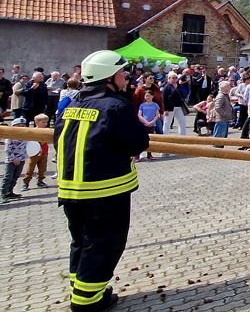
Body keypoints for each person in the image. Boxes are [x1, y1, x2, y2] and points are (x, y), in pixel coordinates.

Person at [54, 50, 149, 310]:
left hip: (71, 191)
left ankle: (81, 289)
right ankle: (87, 303)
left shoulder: (71, 105)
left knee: (82, 242)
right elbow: (138, 142)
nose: (126, 78)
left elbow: (59, 141)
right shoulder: (115, 107)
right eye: (122, 73)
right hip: (105, 192)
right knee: (104, 244)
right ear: (110, 76)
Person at [1, 117, 28, 203]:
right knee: (8, 177)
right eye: (20, 126)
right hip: (11, 161)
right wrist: (13, 159)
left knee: (15, 176)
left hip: (22, 159)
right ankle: (2, 194)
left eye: (24, 126)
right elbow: (7, 149)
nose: (22, 128)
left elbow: (30, 146)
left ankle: (10, 192)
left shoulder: (26, 136)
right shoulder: (10, 137)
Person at [21, 113, 51, 190]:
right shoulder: (33, 131)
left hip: (44, 152)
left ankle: (40, 181)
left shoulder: (47, 131)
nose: (45, 124)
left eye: (46, 122)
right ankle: (26, 182)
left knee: (42, 168)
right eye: (43, 122)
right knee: (30, 168)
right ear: (36, 122)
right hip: (34, 153)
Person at [136, 90, 159, 161]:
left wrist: (152, 122)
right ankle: (137, 156)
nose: (147, 97)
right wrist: (145, 122)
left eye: (149, 96)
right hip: (143, 125)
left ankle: (149, 155)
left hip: (152, 125)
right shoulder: (142, 105)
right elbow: (139, 115)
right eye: (146, 96)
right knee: (141, 140)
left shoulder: (155, 105)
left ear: (152, 96)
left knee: (150, 140)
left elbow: (157, 114)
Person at [212, 81, 234, 145]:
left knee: (223, 137)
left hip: (225, 119)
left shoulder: (225, 95)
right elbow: (218, 107)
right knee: (219, 137)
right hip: (221, 119)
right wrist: (225, 114)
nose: (230, 87)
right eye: (228, 86)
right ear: (224, 87)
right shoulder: (221, 96)